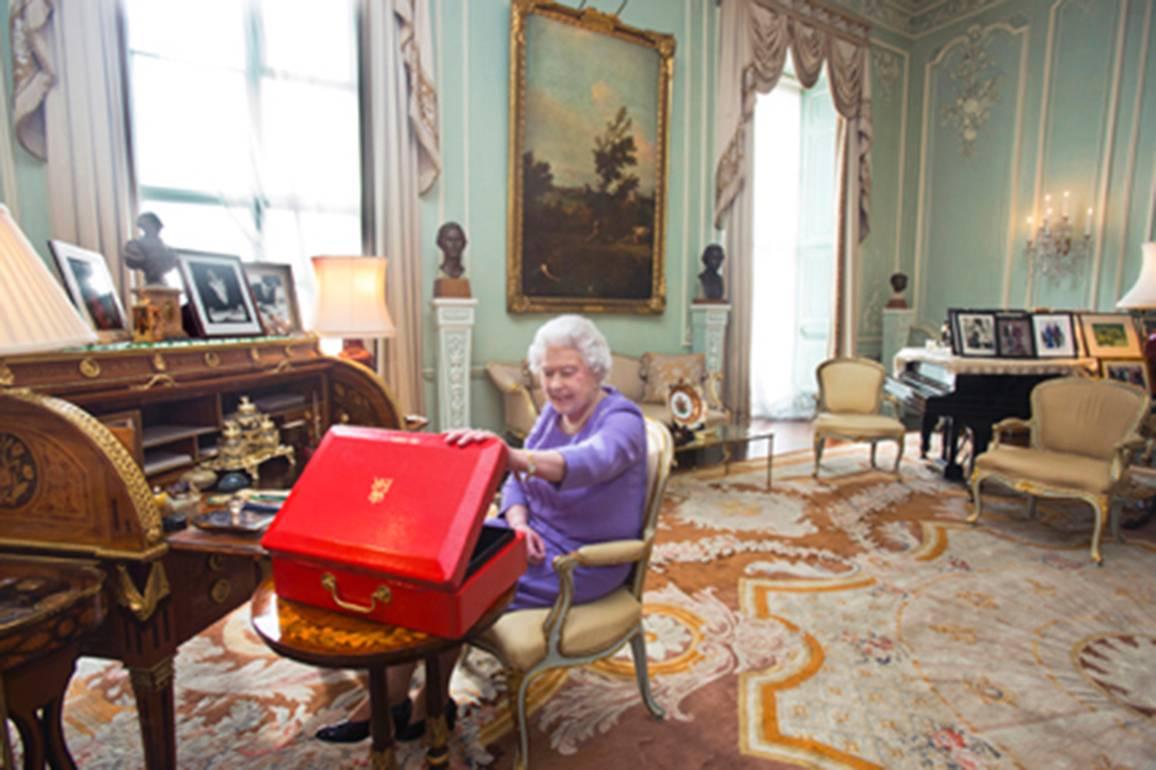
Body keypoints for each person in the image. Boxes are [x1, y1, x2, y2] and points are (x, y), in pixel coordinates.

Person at [315, 314, 649, 744]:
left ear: (597, 369)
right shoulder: (552, 415)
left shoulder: (622, 419)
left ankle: (430, 701)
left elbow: (591, 461)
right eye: (548, 373)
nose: (557, 384)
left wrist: (509, 455)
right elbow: (517, 485)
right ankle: (398, 694)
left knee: (455, 584)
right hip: (528, 539)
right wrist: (519, 522)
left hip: (579, 560)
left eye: (569, 372)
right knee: (426, 560)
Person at [122, 212, 178, 285]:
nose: (158, 229)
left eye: (158, 227)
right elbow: (134, 260)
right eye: (153, 226)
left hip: (161, 286)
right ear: (145, 227)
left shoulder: (169, 251)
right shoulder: (135, 246)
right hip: (150, 287)